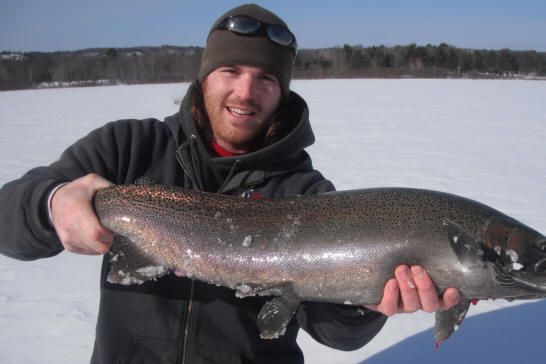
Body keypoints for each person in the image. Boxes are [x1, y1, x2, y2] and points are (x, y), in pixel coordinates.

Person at [0, 4, 459, 363]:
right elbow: (8, 222)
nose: (245, 92)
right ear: (204, 79)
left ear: (282, 94)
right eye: (230, 72)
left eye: (265, 79)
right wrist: (53, 202)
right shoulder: (130, 147)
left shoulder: (305, 194)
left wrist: (368, 298)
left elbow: (333, 331)